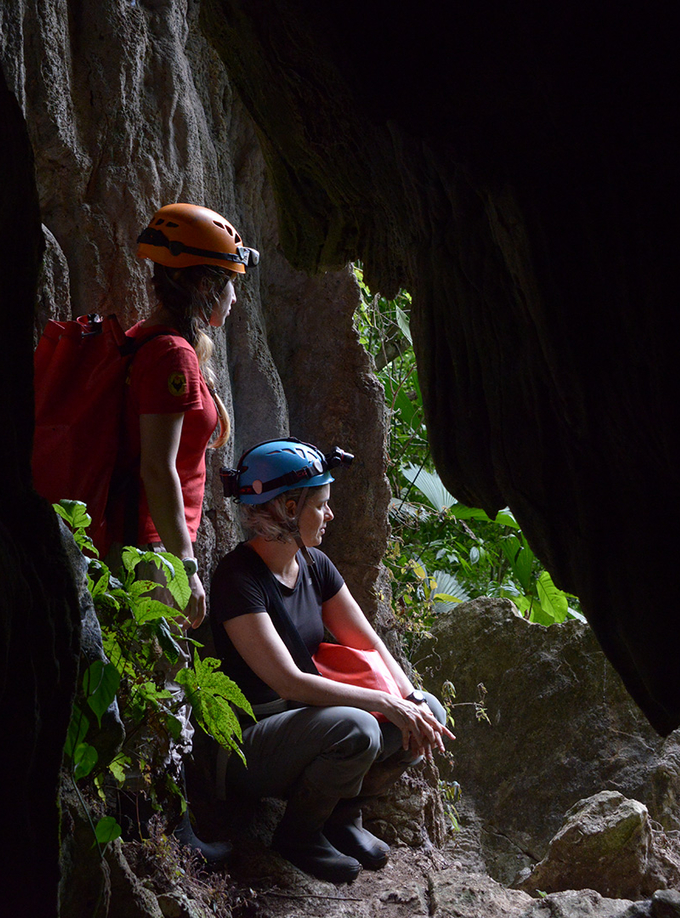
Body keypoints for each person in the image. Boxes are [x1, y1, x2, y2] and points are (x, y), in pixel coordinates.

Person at [208, 438, 454, 883]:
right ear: (286, 508)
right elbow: (289, 684)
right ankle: (299, 834)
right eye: (320, 505)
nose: (330, 515)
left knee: (427, 708)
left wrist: (409, 699)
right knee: (358, 726)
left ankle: (342, 816)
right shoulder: (237, 579)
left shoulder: (315, 565)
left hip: (309, 724)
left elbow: (371, 643)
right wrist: (388, 705)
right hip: (249, 744)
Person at [113, 202, 259, 627]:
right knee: (157, 676)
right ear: (206, 285)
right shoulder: (171, 355)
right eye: (231, 283)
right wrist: (185, 567)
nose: (234, 297)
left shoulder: (152, 338)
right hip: (150, 549)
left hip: (151, 540)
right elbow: (157, 469)